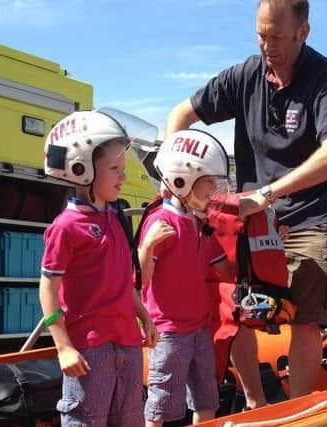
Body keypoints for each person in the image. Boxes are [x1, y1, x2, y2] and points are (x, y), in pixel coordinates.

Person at [166, 0, 327, 401]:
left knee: (304, 314)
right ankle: (255, 401)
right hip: (252, 218)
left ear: (303, 32)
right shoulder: (245, 75)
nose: (267, 45)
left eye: (277, 37)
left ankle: (298, 410)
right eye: (260, 35)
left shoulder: (325, 79)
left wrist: (267, 194)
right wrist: (173, 178)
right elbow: (181, 114)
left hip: (310, 215)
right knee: (236, 311)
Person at [39, 109, 159, 426]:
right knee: (86, 420)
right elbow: (47, 288)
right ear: (82, 169)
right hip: (90, 350)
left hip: (128, 344)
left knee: (131, 419)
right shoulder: (66, 226)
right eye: (115, 168)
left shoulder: (115, 218)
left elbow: (122, 283)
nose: (124, 177)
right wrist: (63, 346)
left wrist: (144, 316)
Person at [139, 129, 234, 426]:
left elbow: (227, 269)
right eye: (208, 183)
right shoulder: (160, 223)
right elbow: (140, 279)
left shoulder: (198, 225)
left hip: (199, 328)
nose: (214, 191)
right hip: (169, 331)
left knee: (206, 401)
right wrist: (148, 246)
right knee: (160, 406)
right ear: (183, 180)